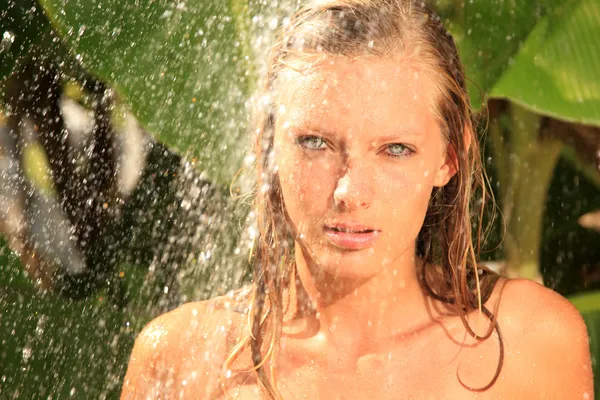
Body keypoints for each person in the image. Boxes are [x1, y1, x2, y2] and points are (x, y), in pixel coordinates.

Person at [120, 0, 594, 398]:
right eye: (315, 143)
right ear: (269, 147)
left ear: (449, 158)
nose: (349, 193)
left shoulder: (531, 342)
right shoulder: (182, 358)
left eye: (395, 150)